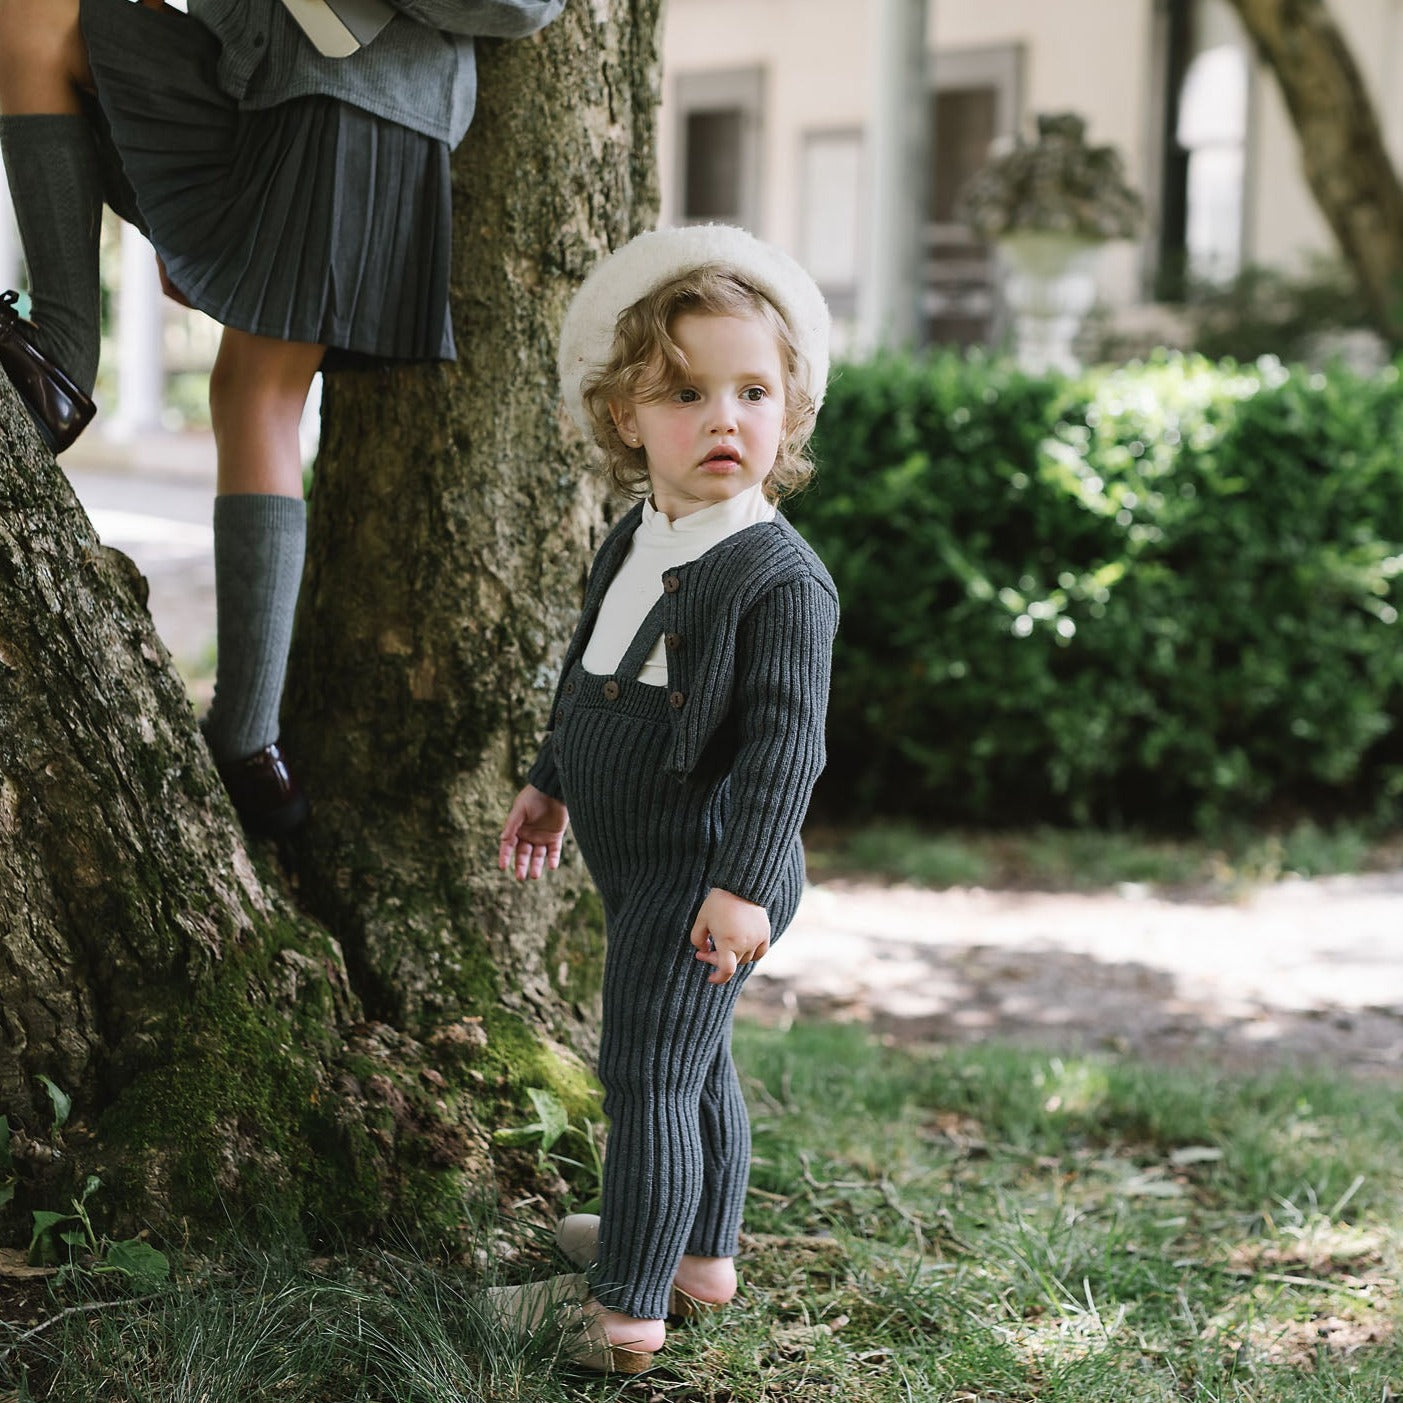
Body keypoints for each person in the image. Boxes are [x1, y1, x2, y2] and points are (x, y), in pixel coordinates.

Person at [0, 0, 564, 836]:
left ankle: (248, 744)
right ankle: (62, 352)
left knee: (257, 394)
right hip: (252, 88)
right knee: (31, 15)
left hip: (356, 105)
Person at [494, 224, 839, 1373]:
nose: (722, 418)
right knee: (692, 1060)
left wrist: (742, 885)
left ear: (787, 410)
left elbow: (787, 748)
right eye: (685, 392)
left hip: (707, 861)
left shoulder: (777, 576)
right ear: (623, 417)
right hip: (634, 850)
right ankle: (698, 1252)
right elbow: (590, 673)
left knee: (643, 1067)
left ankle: (625, 1307)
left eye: (752, 390)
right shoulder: (633, 536)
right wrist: (549, 782)